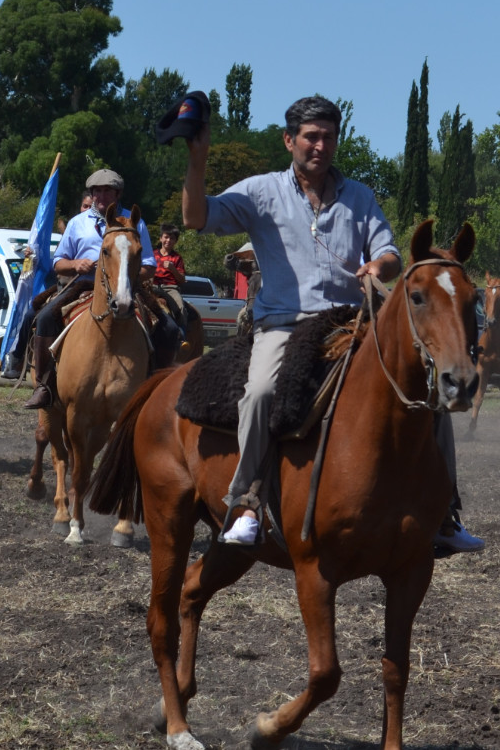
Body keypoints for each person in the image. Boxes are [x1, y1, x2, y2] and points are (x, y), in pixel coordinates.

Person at [183, 95, 483, 552]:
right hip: (283, 324)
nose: (320, 146)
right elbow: (196, 217)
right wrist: (198, 159)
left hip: (350, 321)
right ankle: (245, 502)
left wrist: (379, 266)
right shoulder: (262, 191)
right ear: (289, 141)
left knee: (427, 395)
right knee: (261, 391)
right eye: (311, 137)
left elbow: (388, 250)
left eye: (329, 137)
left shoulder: (359, 196)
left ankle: (445, 513)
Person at [22, 168, 179, 409]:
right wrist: (75, 263)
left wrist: (127, 273)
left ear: (117, 193)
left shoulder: (135, 222)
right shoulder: (77, 223)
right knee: (42, 318)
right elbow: (58, 263)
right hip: (81, 284)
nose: (101, 196)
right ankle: (45, 385)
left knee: (169, 328)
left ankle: (156, 387)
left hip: (126, 287)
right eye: (97, 191)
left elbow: (149, 265)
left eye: (107, 191)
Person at [152, 223, 189, 332]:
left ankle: (181, 335)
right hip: (152, 286)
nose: (168, 240)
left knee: (180, 307)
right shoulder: (152, 255)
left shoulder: (177, 258)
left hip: (170, 287)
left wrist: (173, 269)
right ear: (160, 238)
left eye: (172, 238)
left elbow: (182, 280)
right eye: (166, 237)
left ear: (175, 241)